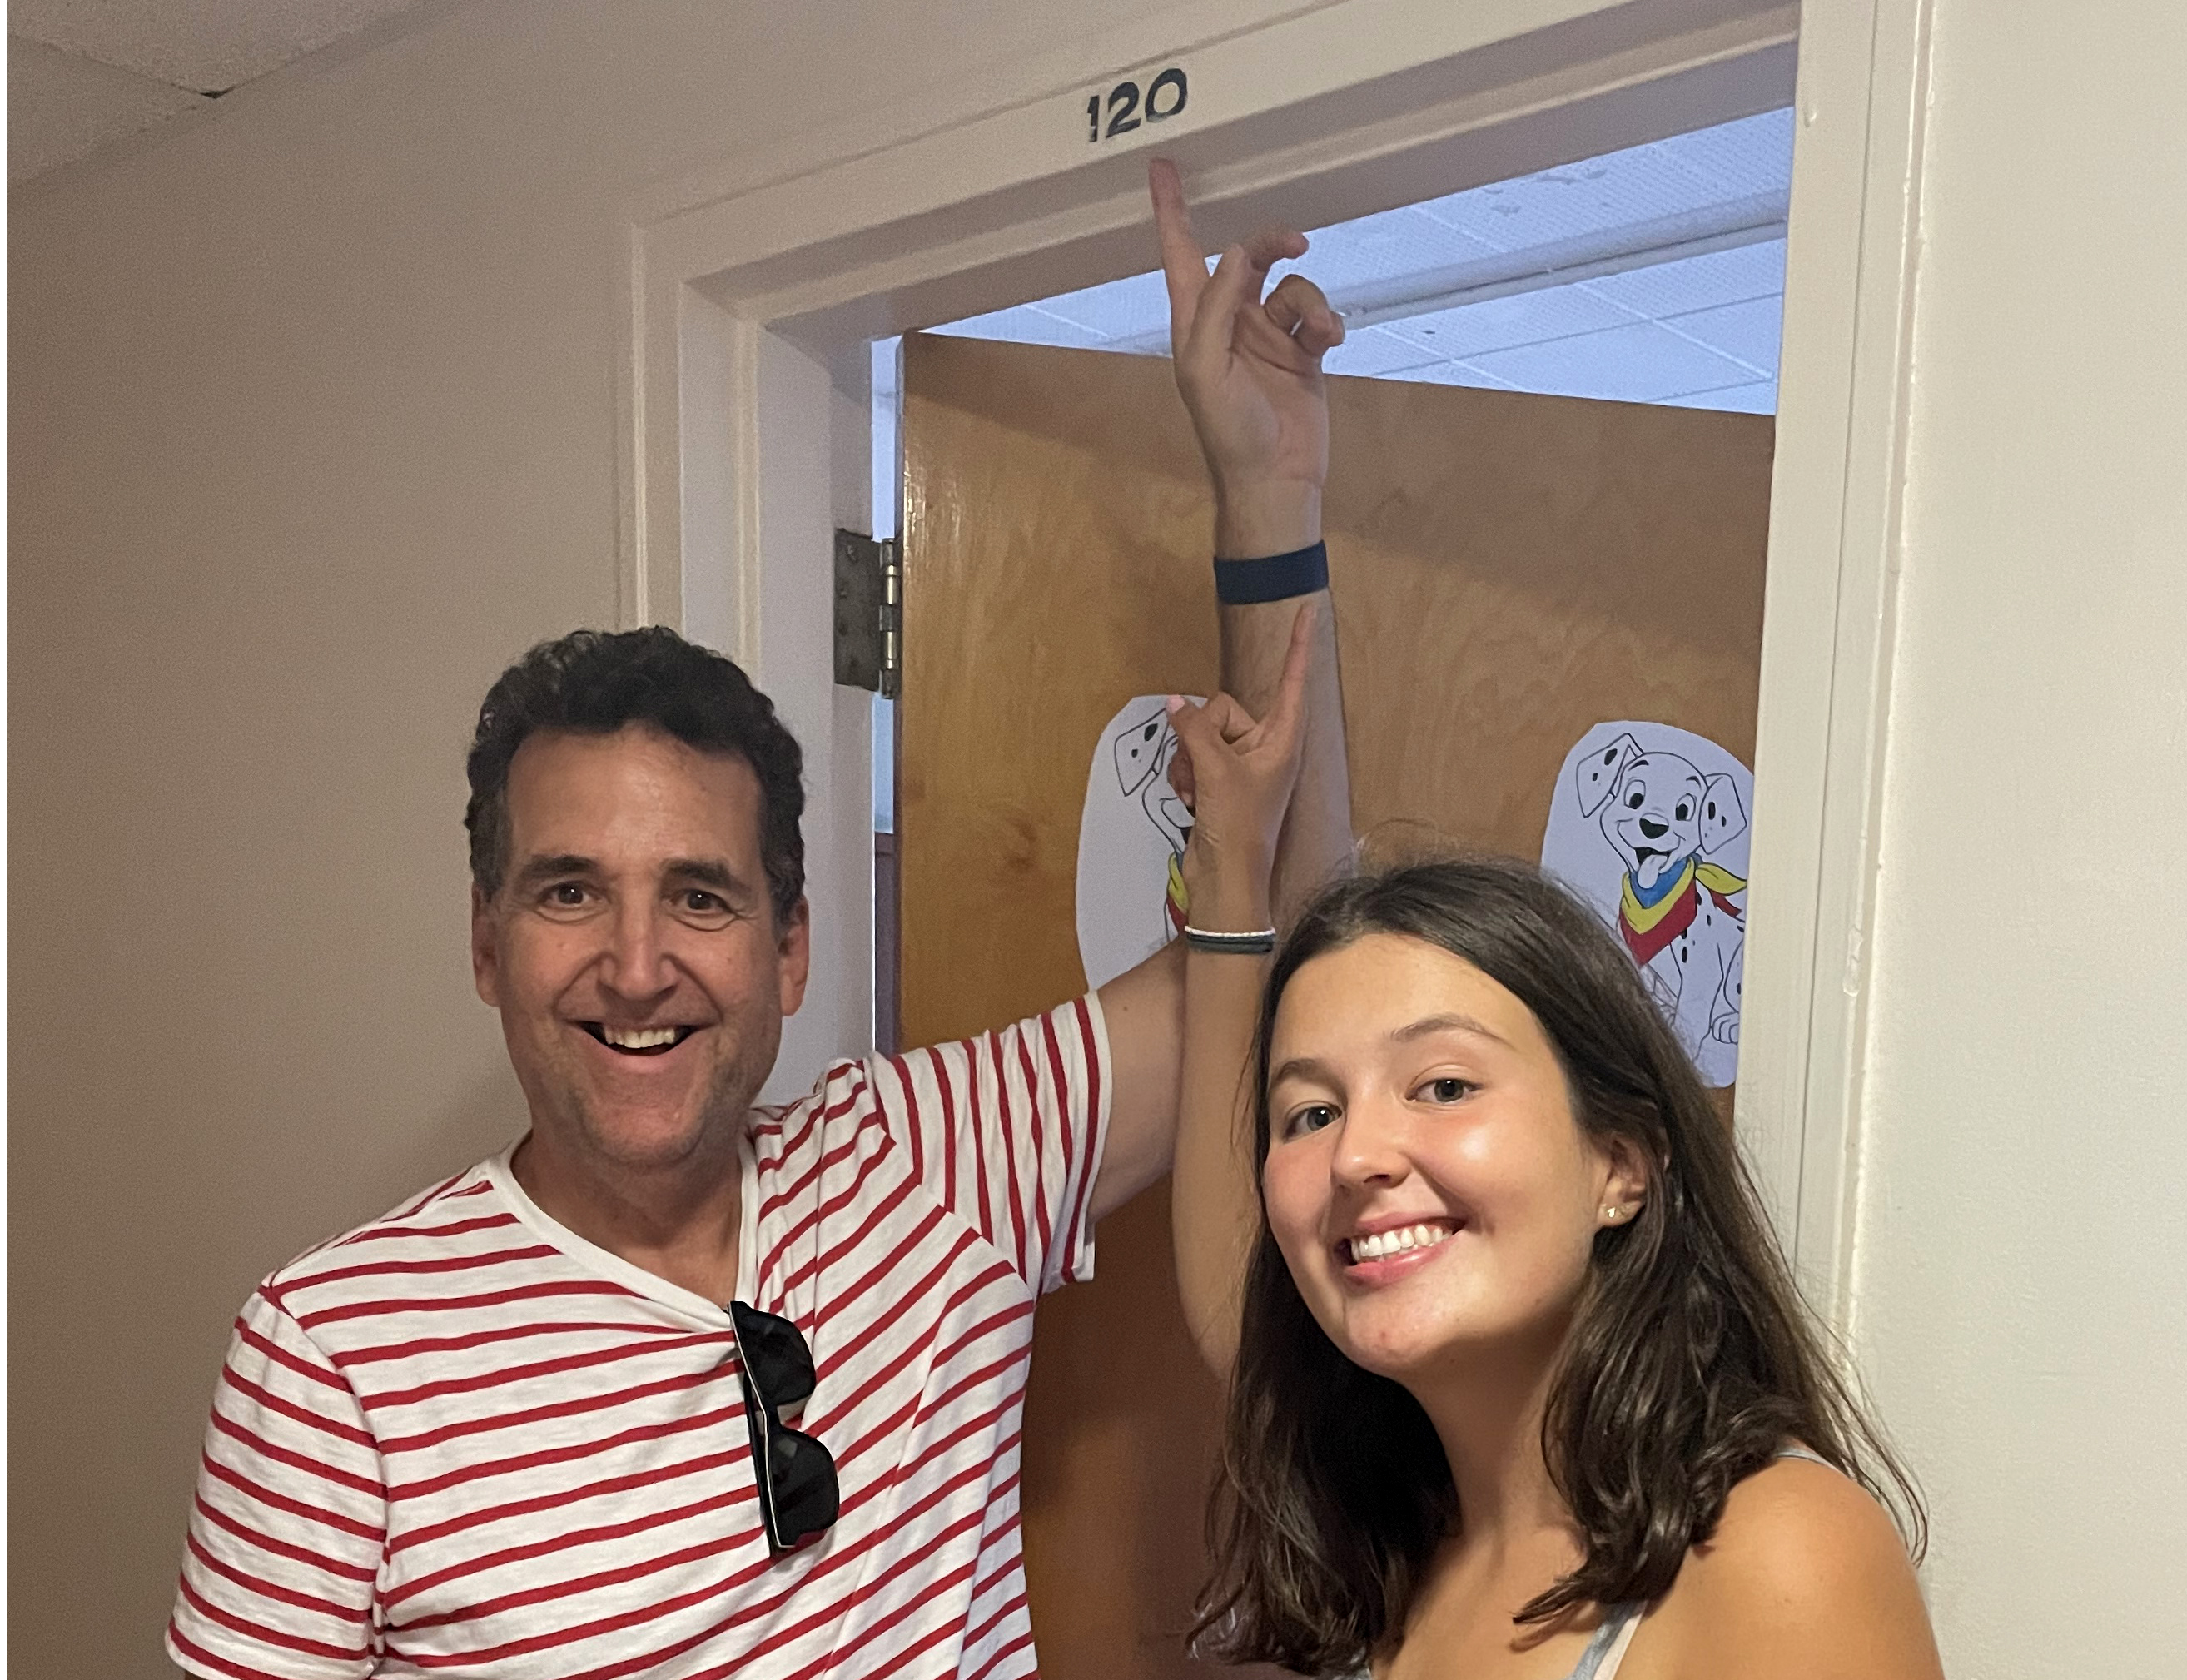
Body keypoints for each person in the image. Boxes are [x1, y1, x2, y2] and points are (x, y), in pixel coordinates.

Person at [165, 162, 1353, 1680]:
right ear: (485, 941)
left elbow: (1286, 935)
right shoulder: (335, 1355)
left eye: (701, 894)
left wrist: (1269, 498)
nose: (637, 966)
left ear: (790, 947)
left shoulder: (934, 1164)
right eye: (569, 890)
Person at [1163, 852, 1947, 1678]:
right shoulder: (1373, 1562)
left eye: (1443, 1086)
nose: (1354, 1156)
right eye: (1311, 1113)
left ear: (1620, 1165)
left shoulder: (1779, 1553)